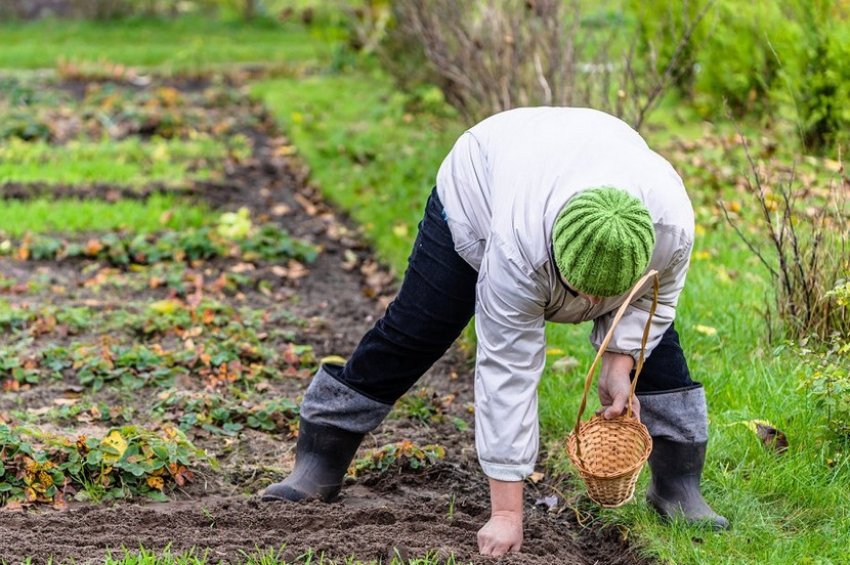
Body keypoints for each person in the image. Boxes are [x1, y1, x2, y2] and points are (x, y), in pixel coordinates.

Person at [261, 107, 729, 556]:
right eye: (580, 292)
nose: (588, 308)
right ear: (553, 256)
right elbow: (509, 369)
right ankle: (324, 447)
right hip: (483, 183)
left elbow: (655, 300)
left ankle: (677, 486)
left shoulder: (669, 225)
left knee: (658, 346)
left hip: (583, 154)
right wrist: (507, 512)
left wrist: (620, 359)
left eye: (602, 299)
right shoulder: (516, 244)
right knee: (419, 328)